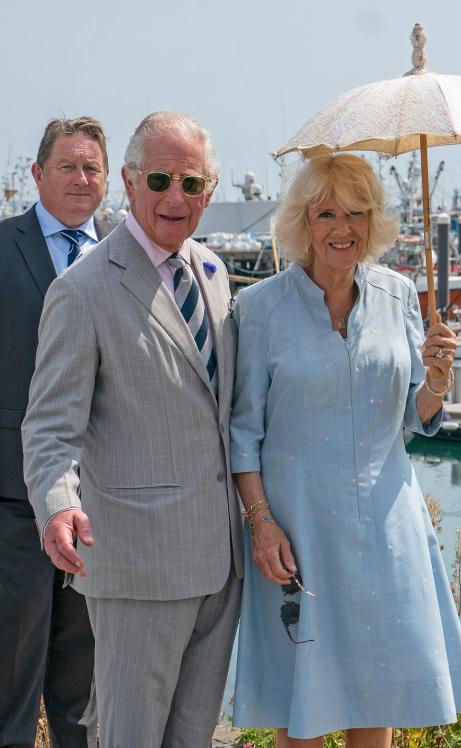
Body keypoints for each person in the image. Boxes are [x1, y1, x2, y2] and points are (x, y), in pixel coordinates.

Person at [230, 154, 461, 747]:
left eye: (357, 212)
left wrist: (439, 382)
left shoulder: (398, 294)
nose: (342, 227)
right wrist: (261, 525)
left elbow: (412, 422)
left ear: (374, 221)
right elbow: (243, 435)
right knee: (303, 706)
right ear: (304, 222)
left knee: (378, 696)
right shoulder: (260, 309)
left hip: (386, 530)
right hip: (298, 532)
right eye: (326, 213)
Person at [22, 112, 243, 748]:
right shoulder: (81, 291)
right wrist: (58, 508)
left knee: (191, 739)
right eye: (159, 178)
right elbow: (49, 428)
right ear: (128, 182)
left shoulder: (213, 274)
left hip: (217, 566)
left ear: (209, 189)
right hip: (136, 564)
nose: (176, 196)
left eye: (192, 183)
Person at [0, 116, 110, 748]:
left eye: (91, 167)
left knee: (84, 696)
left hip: (101, 506)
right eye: (66, 166)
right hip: (14, 506)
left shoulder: (127, 253)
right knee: (10, 689)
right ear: (37, 174)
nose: (79, 178)